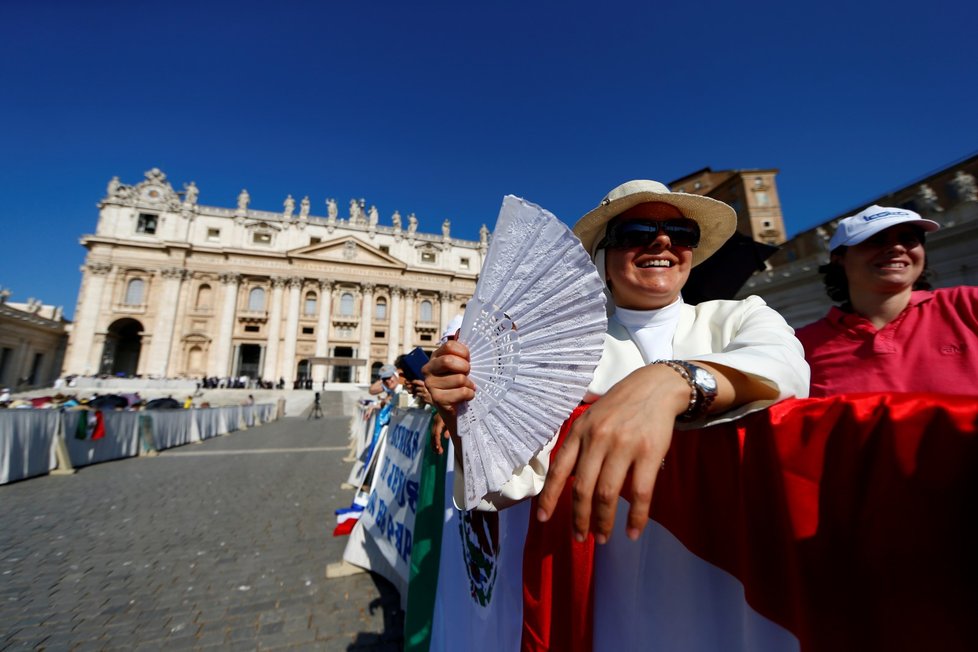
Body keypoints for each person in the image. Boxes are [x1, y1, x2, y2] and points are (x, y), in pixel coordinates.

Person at [426, 179, 808, 539]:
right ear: (602, 258)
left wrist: (672, 380)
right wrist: (461, 416)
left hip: (730, 543)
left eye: (681, 234)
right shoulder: (557, 356)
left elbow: (787, 369)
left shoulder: (742, 315)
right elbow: (509, 485)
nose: (662, 242)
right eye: (636, 234)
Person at [796, 205, 978, 397]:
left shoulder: (968, 305)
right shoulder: (801, 346)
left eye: (908, 239)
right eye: (876, 240)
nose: (897, 248)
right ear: (839, 258)